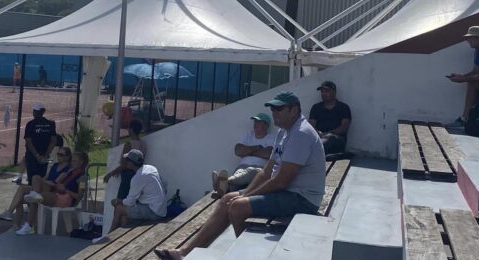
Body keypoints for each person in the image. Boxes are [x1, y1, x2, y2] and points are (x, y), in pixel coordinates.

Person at [154, 91, 325, 260]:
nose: (274, 112)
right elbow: (266, 172)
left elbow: (281, 181)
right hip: (286, 193)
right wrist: (246, 194)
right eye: (272, 109)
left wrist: (246, 197)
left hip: (302, 199)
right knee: (227, 199)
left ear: (294, 110)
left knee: (237, 207)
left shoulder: (301, 134)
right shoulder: (284, 132)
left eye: (279, 109)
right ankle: (184, 253)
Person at [0, 147, 73, 234]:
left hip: (51, 190)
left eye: (61, 155)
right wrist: (40, 182)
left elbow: (55, 183)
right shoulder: (55, 165)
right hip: (43, 187)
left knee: (36, 178)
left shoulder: (66, 169)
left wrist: (40, 181)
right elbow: (46, 177)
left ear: (67, 157)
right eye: (58, 154)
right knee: (21, 191)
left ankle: (19, 216)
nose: (58, 156)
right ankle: (14, 220)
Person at [211, 112, 275, 195]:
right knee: (239, 173)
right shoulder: (248, 135)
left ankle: (222, 183)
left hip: (259, 168)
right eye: (255, 122)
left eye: (258, 122)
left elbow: (268, 153)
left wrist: (247, 151)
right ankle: (224, 186)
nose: (255, 124)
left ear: (265, 126)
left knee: (250, 172)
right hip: (242, 166)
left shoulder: (271, 138)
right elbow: (238, 151)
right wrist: (257, 147)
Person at [109, 150, 167, 233]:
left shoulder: (138, 178)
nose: (126, 162)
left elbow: (130, 202)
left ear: (131, 163)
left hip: (154, 212)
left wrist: (117, 201)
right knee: (125, 211)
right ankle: (121, 233)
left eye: (127, 160)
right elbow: (164, 184)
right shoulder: (151, 168)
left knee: (119, 208)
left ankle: (108, 235)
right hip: (161, 209)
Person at [103, 120, 148, 199]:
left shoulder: (129, 145)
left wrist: (110, 174)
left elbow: (124, 165)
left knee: (120, 200)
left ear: (131, 129)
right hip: (139, 174)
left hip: (128, 175)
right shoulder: (143, 144)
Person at [308, 81, 352, 156]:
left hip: (336, 140)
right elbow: (311, 126)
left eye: (327, 91)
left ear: (334, 92)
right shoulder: (316, 108)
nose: (323, 94)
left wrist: (326, 134)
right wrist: (318, 133)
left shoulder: (343, 107)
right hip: (318, 138)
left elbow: (343, 128)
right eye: (322, 91)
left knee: (329, 138)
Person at [23, 104, 57, 189]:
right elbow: (53, 140)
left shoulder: (30, 124)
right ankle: (39, 194)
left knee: (32, 179)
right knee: (41, 177)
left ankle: (33, 194)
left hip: (32, 156)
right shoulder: (50, 124)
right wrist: (46, 154)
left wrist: (37, 155)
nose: (34, 112)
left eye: (35, 111)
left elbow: (29, 142)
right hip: (44, 155)